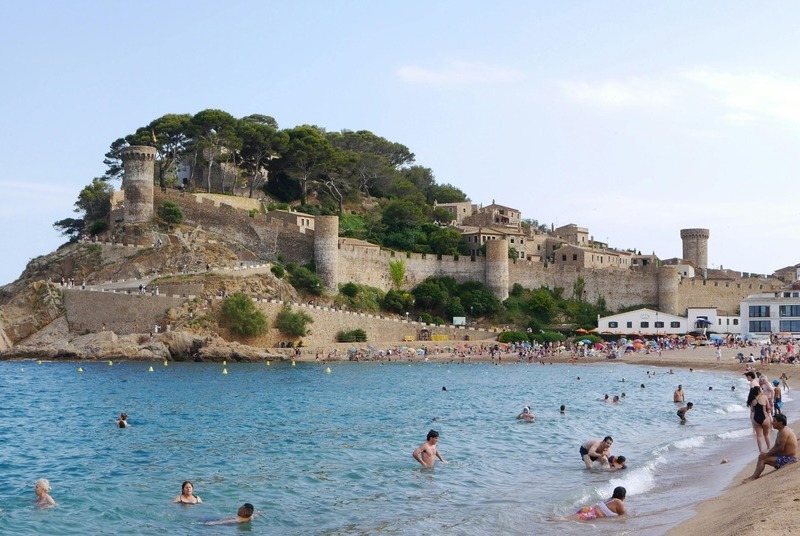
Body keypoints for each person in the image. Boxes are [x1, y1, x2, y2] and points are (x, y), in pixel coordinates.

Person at [743, 414, 797, 482]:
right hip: (783, 456)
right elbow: (776, 446)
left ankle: (754, 477)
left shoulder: (784, 432)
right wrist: (767, 454)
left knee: (763, 459)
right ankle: (754, 476)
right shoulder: (781, 431)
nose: (772, 422)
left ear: (780, 422)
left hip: (788, 459)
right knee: (762, 456)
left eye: (774, 421)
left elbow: (780, 448)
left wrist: (767, 455)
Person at [561, 486, 627, 520]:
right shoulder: (618, 502)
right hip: (591, 513)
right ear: (623, 496)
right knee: (564, 520)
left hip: (588, 510)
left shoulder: (610, 499)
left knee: (566, 519)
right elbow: (623, 516)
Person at [748, 386, 772, 453]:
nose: (762, 390)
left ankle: (761, 451)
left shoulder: (752, 399)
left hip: (756, 419)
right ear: (759, 391)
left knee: (759, 436)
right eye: (761, 389)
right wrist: (770, 416)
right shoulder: (764, 397)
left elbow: (752, 410)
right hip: (765, 418)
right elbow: (768, 408)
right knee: (766, 434)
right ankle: (769, 448)